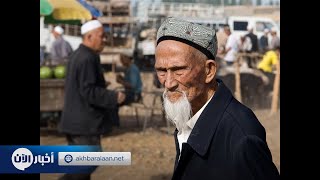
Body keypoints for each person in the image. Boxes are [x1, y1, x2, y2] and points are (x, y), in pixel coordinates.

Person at [155, 17, 280, 180]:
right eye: (161, 71)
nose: (168, 83)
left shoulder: (242, 138)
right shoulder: (190, 114)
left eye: (179, 70)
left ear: (209, 70)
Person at [58, 20, 126, 180]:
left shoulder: (79, 54)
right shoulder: (87, 57)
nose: (104, 39)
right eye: (102, 36)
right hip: (83, 123)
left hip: (75, 122)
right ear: (89, 36)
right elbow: (88, 90)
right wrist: (113, 96)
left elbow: (83, 85)